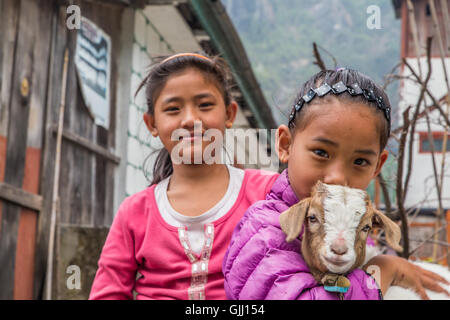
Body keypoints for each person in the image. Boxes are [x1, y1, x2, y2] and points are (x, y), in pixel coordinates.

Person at [222, 68, 450, 300]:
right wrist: (384, 271)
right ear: (285, 145)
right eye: (321, 152)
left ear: (377, 167)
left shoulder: (351, 228)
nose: (338, 178)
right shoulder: (266, 233)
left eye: (360, 161)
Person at [89, 53, 279, 300]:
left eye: (205, 105)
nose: (190, 120)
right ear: (151, 124)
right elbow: (108, 293)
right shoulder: (135, 212)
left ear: (230, 114)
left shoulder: (266, 192)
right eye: (173, 109)